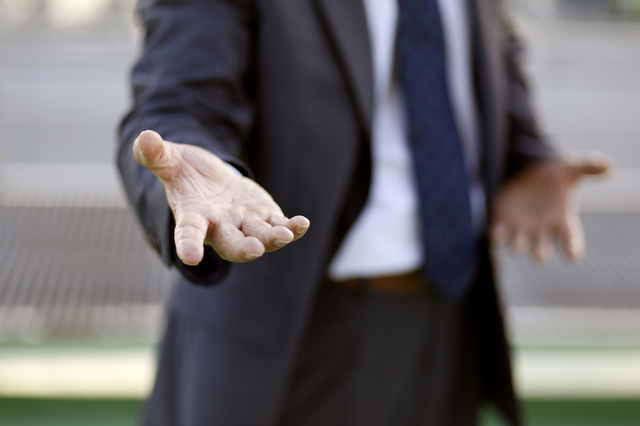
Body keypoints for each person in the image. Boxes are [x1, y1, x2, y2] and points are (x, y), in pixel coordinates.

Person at [117, 0, 610, 424]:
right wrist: (191, 164)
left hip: (452, 324)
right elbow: (181, 95)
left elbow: (487, 53)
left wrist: (528, 156)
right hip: (296, 338)